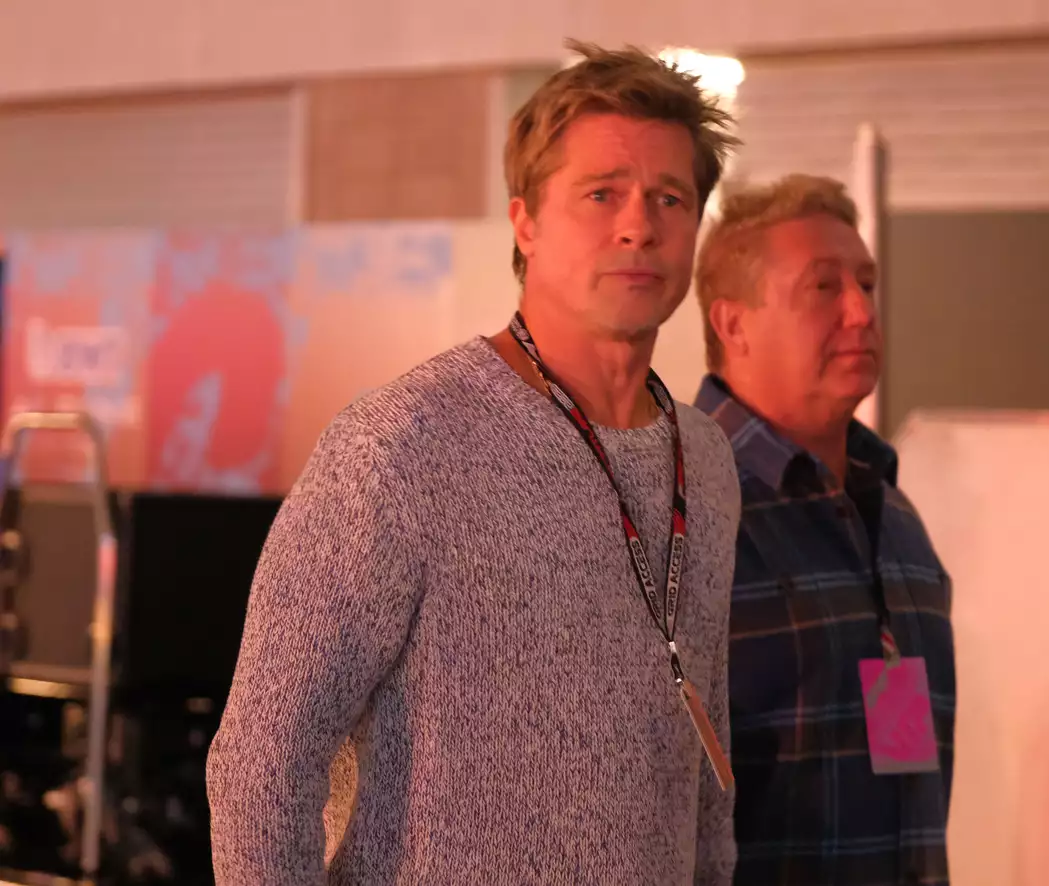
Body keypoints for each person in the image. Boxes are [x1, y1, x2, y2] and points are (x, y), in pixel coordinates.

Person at [206, 41, 742, 885]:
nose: (638, 225)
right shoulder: (401, 446)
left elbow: (703, 754)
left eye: (669, 198)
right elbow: (261, 765)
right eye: (601, 194)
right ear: (525, 222)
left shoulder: (704, 460)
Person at [693, 174, 956, 885]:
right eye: (823, 287)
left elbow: (900, 774)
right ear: (733, 325)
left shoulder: (891, 515)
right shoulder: (682, 512)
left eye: (866, 284)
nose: (862, 312)